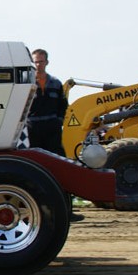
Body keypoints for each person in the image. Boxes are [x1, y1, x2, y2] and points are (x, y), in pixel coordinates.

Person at [27, 48, 83, 222]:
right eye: (36, 61)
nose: (38, 65)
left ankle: (67, 211)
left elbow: (63, 106)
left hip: (52, 132)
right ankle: (36, 211)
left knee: (60, 169)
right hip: (32, 131)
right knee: (34, 171)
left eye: (41, 61)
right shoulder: (26, 83)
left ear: (47, 62)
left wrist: (57, 121)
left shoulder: (56, 84)